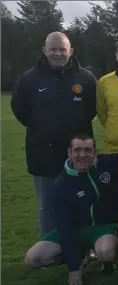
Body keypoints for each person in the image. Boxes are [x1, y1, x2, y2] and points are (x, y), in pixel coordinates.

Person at [10, 31, 97, 237]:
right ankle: (50, 249)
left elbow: (93, 109)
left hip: (79, 156)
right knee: (47, 207)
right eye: (53, 49)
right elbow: (19, 109)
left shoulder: (85, 78)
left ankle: (80, 248)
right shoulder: (29, 79)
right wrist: (43, 129)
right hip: (43, 154)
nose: (58, 53)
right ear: (44, 50)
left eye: (62, 49)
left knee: (81, 202)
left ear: (71, 51)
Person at [24, 134, 118, 285]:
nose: (82, 155)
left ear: (95, 152)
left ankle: (108, 262)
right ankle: (79, 257)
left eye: (87, 150)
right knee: (33, 258)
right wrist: (74, 268)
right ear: (69, 152)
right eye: (77, 150)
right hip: (75, 230)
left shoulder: (108, 164)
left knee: (106, 251)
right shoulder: (61, 184)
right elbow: (65, 228)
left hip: (104, 228)